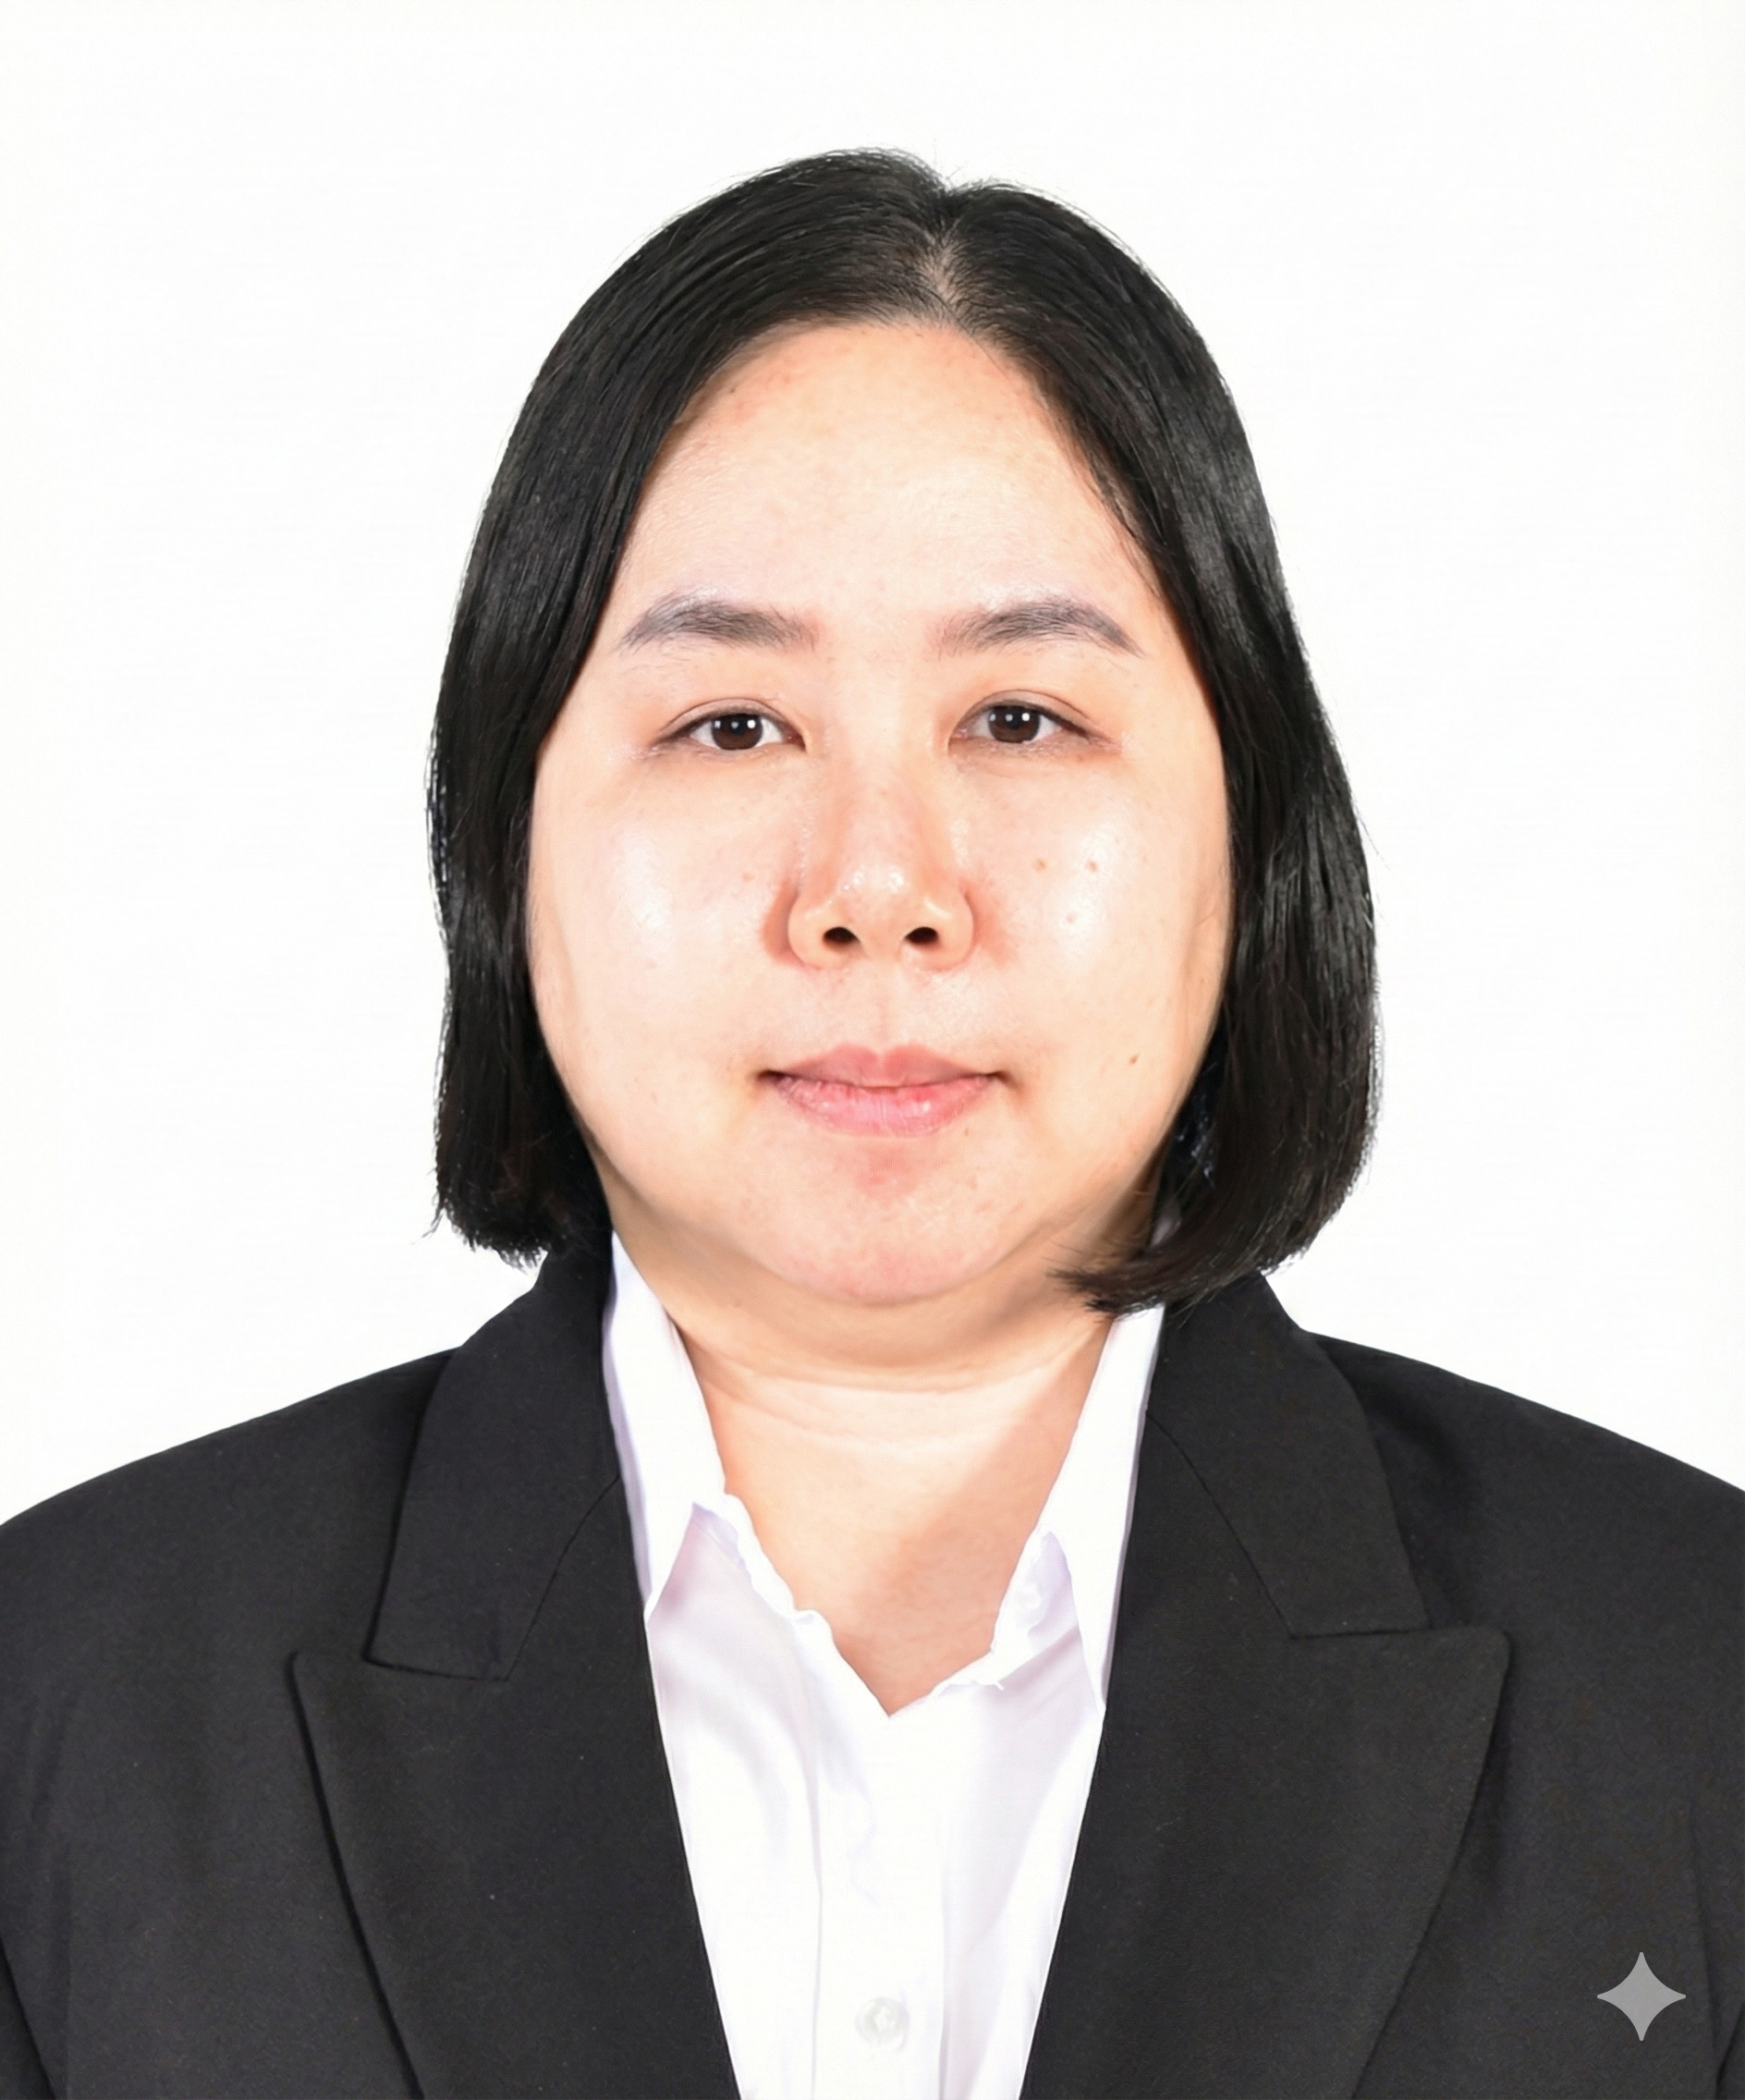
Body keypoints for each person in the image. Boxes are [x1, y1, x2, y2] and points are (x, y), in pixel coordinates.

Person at [0, 149, 1737, 2100]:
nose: (879, 886)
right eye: (731, 724)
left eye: (1021, 718)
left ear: (1252, 841)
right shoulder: (63, 1703)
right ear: (505, 839)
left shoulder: (1695, 1681)